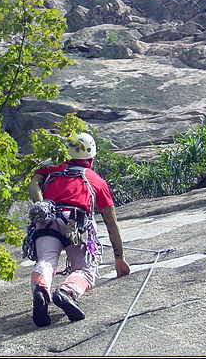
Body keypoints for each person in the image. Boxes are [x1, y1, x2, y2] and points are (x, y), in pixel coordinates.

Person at [25, 132, 131, 327]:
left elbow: (33, 184)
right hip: (76, 223)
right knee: (84, 268)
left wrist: (40, 205)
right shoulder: (96, 180)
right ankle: (66, 292)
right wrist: (119, 258)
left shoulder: (51, 170)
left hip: (47, 220)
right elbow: (111, 223)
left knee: (47, 259)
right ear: (92, 155)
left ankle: (41, 289)